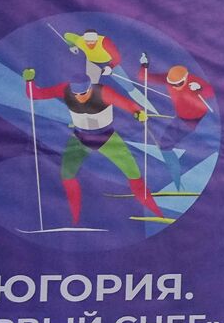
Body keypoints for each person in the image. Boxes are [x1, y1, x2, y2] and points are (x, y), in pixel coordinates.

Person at [23, 68, 162, 223]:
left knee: (134, 174)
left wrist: (138, 112)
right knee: (67, 176)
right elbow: (35, 95)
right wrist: (29, 81)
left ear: (90, 87)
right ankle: (74, 219)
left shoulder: (103, 92)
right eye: (75, 94)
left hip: (108, 140)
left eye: (83, 93)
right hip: (79, 139)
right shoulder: (65, 90)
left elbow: (128, 104)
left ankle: (156, 212)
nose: (79, 98)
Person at [138, 58, 216, 190]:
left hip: (191, 120)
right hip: (180, 116)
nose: (174, 86)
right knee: (165, 146)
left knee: (165, 146)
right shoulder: (170, 79)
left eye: (178, 84)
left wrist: (200, 88)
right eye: (171, 83)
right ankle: (178, 182)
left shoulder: (193, 82)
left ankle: (179, 185)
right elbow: (143, 77)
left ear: (186, 78)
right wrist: (144, 64)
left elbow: (210, 92)